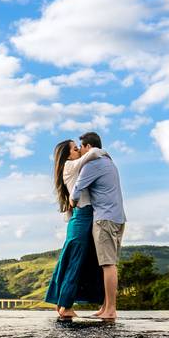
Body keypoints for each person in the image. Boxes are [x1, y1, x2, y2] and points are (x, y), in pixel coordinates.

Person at [44, 139, 105, 320]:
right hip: (82, 217)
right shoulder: (70, 165)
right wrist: (102, 152)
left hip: (81, 218)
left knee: (74, 260)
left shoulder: (71, 167)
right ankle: (66, 307)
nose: (79, 151)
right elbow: (93, 153)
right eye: (76, 148)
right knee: (75, 262)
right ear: (68, 154)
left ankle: (62, 303)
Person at [70, 132, 126, 321]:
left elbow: (77, 189)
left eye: (81, 148)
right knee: (110, 263)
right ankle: (105, 307)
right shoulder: (110, 162)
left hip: (104, 218)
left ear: (87, 147)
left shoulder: (93, 163)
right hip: (118, 217)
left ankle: (110, 309)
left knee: (107, 264)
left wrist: (72, 202)